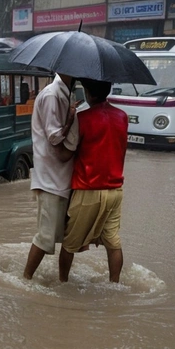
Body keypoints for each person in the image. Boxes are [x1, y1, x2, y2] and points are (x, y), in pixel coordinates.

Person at [59, 78, 128, 283]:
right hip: (115, 190)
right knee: (113, 242)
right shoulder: (123, 116)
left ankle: (62, 284)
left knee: (69, 244)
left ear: (88, 93)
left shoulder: (83, 118)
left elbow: (65, 154)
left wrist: (67, 125)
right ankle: (114, 284)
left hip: (88, 188)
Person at [23, 74, 79, 280]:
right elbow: (54, 136)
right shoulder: (52, 95)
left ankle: (63, 281)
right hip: (51, 179)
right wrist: (71, 119)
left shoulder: (63, 93)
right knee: (45, 237)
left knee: (69, 237)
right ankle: (26, 278)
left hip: (61, 177)